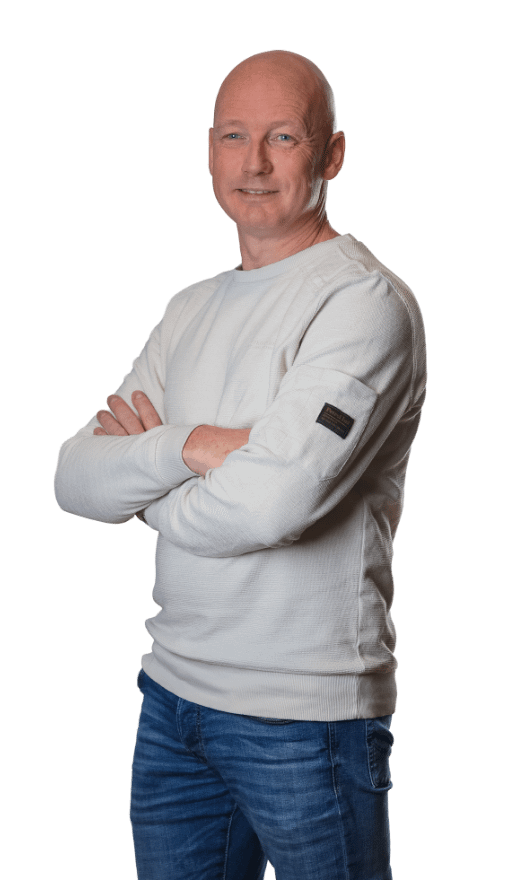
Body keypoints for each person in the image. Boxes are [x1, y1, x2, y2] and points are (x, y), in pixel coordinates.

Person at [54, 49, 427, 880]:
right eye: (234, 135)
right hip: (171, 702)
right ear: (210, 152)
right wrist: (189, 447)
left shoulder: (363, 304)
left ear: (333, 154)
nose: (254, 162)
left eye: (283, 137)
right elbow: (73, 478)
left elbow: (269, 507)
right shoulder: (190, 306)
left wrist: (146, 489)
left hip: (305, 718)